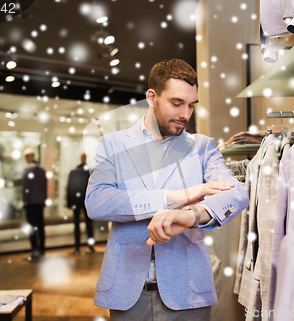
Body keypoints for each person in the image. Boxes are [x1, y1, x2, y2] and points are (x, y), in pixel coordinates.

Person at [85, 58, 249, 320]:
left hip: (189, 292)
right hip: (128, 290)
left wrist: (192, 214)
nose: (185, 114)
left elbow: (236, 193)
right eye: (176, 103)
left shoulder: (202, 147)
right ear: (152, 97)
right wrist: (174, 198)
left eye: (191, 105)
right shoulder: (112, 144)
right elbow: (97, 201)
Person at [67, 152, 95, 254]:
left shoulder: (74, 172)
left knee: (78, 224)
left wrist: (69, 202)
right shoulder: (89, 172)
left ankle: (78, 246)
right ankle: (89, 245)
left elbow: (69, 189)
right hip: (86, 201)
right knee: (88, 224)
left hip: (77, 201)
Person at [22, 148, 47, 261]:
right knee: (40, 226)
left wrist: (25, 201)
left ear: (27, 157)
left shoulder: (27, 170)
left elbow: (26, 189)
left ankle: (35, 250)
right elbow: (44, 187)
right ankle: (42, 249)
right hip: (40, 202)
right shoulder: (41, 170)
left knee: (32, 228)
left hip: (31, 202)